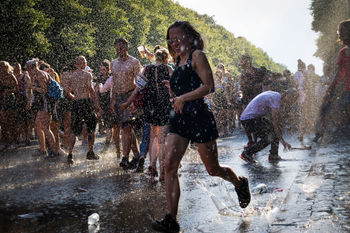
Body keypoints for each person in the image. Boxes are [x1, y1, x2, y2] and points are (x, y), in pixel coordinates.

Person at [151, 21, 251, 233]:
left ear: (188, 37)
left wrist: (183, 97)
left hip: (199, 117)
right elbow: (180, 92)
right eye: (171, 40)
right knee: (169, 164)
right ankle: (172, 220)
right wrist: (174, 93)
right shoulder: (177, 62)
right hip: (179, 117)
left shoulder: (198, 56)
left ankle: (239, 183)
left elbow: (209, 86)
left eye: (178, 38)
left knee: (213, 169)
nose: (174, 43)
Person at [121, 47, 173, 181]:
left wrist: (127, 103)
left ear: (155, 57)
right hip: (164, 106)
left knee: (152, 137)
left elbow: (137, 89)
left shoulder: (146, 69)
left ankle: (152, 167)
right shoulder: (169, 69)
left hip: (150, 107)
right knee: (161, 140)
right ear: (166, 59)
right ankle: (162, 174)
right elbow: (175, 90)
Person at [314, 19, 350, 143]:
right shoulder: (343, 53)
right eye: (339, 32)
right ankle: (319, 132)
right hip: (348, 92)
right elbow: (339, 75)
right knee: (329, 110)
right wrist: (329, 90)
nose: (339, 35)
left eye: (342, 32)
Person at [239, 89, 298, 163]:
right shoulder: (276, 100)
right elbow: (275, 123)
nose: (291, 103)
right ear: (288, 95)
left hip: (252, 118)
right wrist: (283, 142)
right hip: (249, 120)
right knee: (271, 136)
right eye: (292, 99)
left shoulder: (276, 95)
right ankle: (247, 153)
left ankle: (273, 155)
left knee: (275, 132)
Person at [110, 38, 142, 168]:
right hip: (118, 96)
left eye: (121, 48)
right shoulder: (113, 63)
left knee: (126, 128)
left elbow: (139, 84)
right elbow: (113, 82)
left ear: (126, 48)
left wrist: (133, 101)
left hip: (130, 94)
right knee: (126, 128)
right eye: (117, 48)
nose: (119, 50)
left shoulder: (134, 62)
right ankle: (137, 156)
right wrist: (112, 100)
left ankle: (125, 157)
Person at [66, 56, 102, 164]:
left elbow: (67, 92)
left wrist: (75, 97)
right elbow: (90, 89)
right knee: (91, 128)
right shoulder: (87, 74)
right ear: (83, 64)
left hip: (76, 103)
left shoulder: (71, 76)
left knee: (74, 130)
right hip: (86, 102)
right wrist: (97, 106)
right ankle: (90, 152)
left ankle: (70, 154)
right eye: (84, 63)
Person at [26, 59, 57, 157]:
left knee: (45, 128)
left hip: (45, 103)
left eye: (28, 68)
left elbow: (44, 90)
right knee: (38, 126)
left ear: (32, 67)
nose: (27, 70)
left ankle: (53, 151)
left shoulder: (40, 74)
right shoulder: (37, 75)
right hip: (42, 103)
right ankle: (43, 149)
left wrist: (32, 87)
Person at [0, 61, 18, 150]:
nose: (1, 68)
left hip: (10, 99)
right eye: (0, 66)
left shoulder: (10, 75)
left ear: (7, 67)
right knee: (3, 122)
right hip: (1, 100)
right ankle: (4, 141)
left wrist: (8, 92)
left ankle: (14, 141)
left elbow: (17, 88)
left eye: (3, 66)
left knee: (11, 121)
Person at [13, 62, 32, 145]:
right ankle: (20, 137)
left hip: (24, 99)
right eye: (15, 67)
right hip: (15, 99)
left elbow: (29, 89)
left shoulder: (25, 76)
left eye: (18, 67)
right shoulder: (12, 76)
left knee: (26, 120)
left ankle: (27, 138)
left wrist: (29, 101)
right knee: (17, 120)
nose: (17, 69)